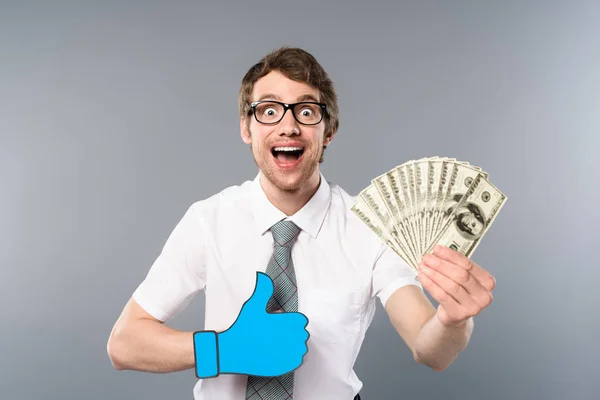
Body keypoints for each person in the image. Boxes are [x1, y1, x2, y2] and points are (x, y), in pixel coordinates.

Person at [106, 47, 496, 400]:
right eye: (269, 110)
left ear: (329, 131)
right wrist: (223, 349)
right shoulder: (209, 219)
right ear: (247, 128)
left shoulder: (371, 227)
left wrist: (452, 321)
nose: (288, 126)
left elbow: (429, 348)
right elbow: (124, 344)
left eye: (306, 112)